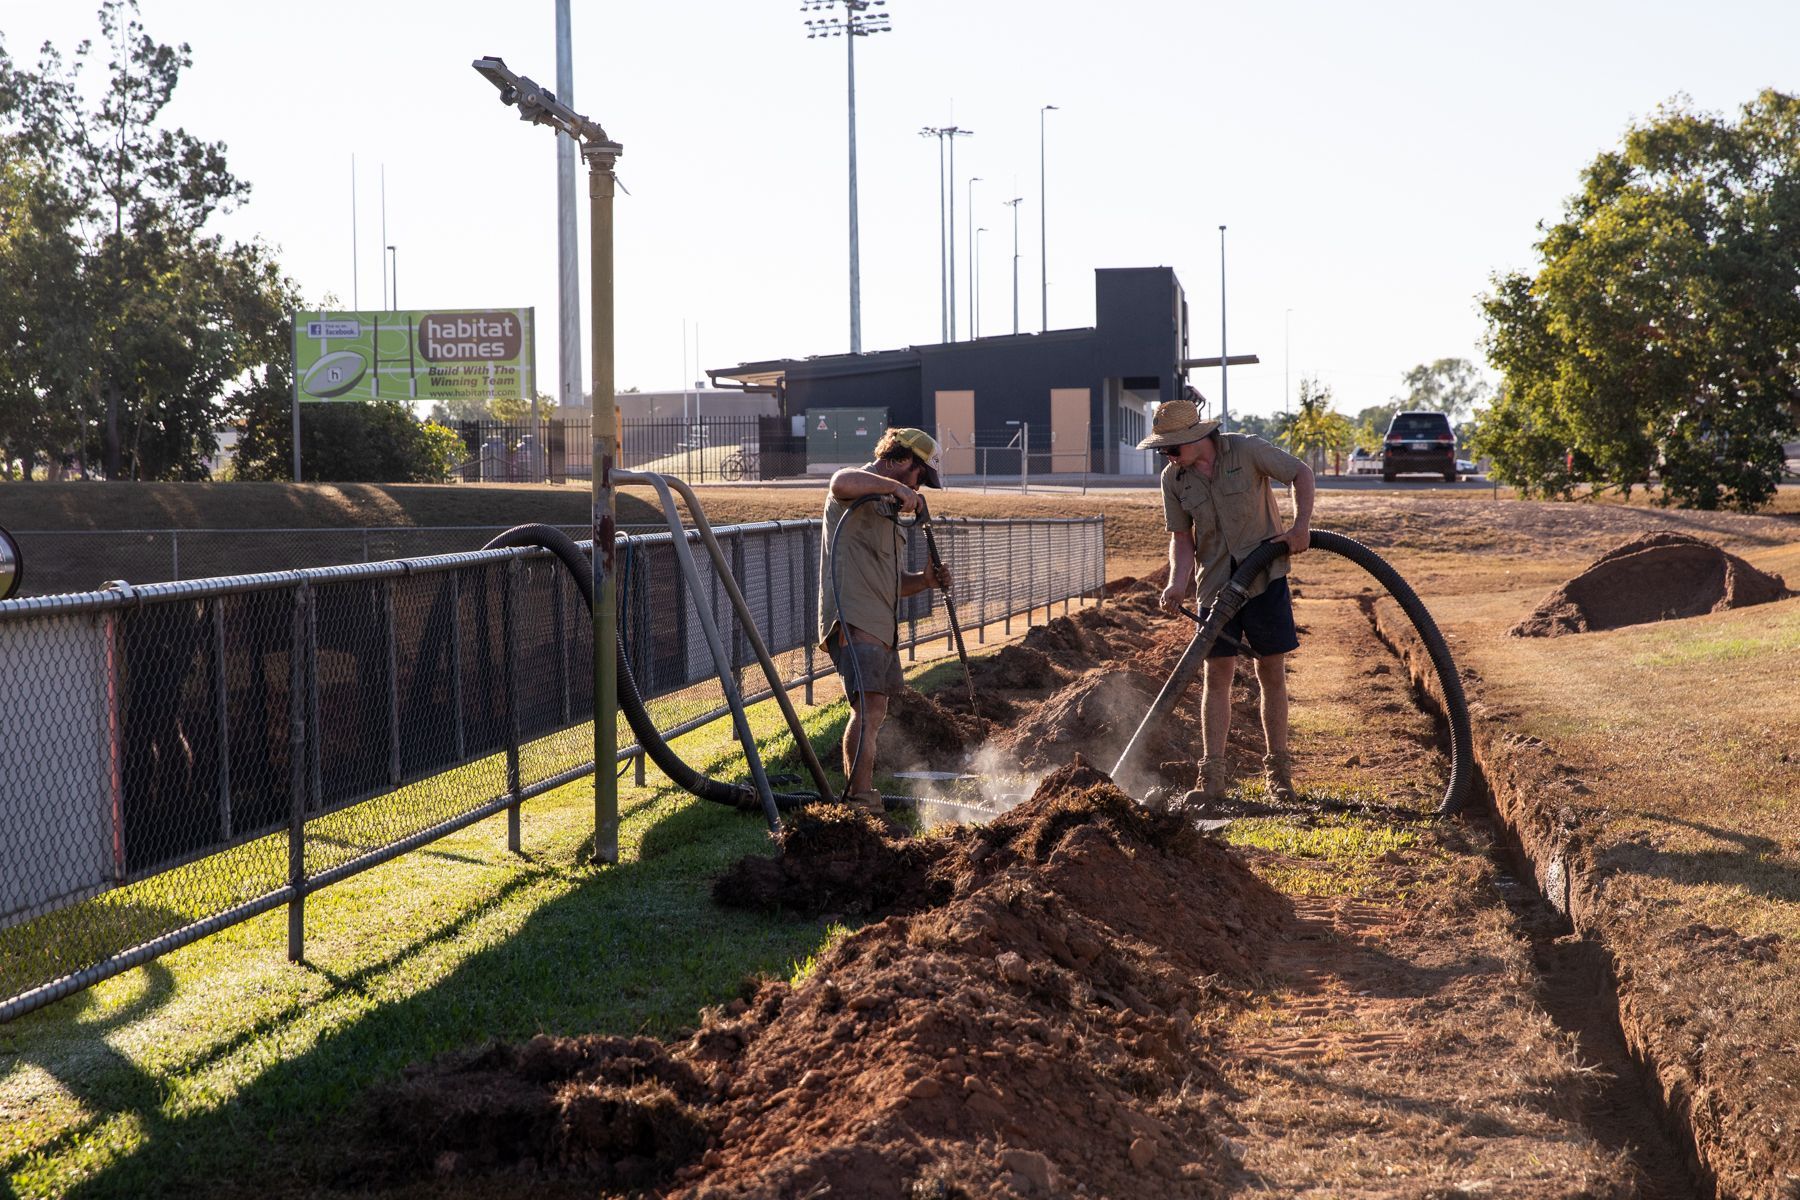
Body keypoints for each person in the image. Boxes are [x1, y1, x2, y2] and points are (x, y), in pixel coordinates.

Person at [1139, 394, 1315, 804]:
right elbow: (1182, 539)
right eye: (1163, 450)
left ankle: (1279, 776)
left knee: (1270, 669)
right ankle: (1212, 778)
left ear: (1195, 437)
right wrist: (1177, 583)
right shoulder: (1174, 479)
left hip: (1264, 577)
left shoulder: (1247, 450)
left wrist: (1301, 527)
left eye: (1172, 448)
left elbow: (1301, 474)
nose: (1168, 456)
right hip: (1215, 586)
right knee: (1216, 675)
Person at [818, 427, 954, 815]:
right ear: (900, 459)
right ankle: (859, 800)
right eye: (919, 476)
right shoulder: (856, 488)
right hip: (854, 618)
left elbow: (892, 583)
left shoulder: (885, 508)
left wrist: (925, 581)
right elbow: (839, 480)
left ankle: (861, 795)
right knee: (869, 709)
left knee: (875, 711)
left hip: (881, 624)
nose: (918, 487)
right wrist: (895, 488)